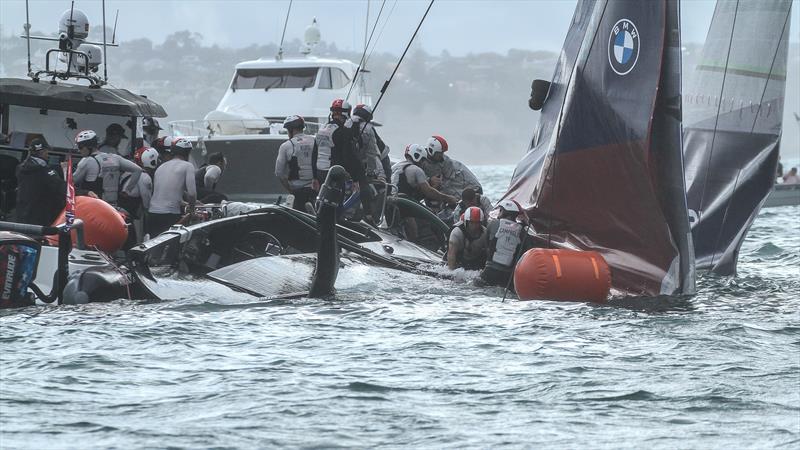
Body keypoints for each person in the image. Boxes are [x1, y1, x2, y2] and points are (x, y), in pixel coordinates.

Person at [15, 139, 91, 226]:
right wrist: (85, 193)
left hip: (22, 214)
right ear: (42, 152)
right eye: (46, 151)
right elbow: (61, 187)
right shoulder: (44, 172)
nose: (48, 153)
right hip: (40, 216)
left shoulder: (20, 169)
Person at [73, 129, 142, 206]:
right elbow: (138, 170)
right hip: (113, 206)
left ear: (88, 147)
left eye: (80, 147)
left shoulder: (87, 161)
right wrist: (127, 190)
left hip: (94, 205)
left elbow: (70, 183)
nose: (79, 150)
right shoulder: (115, 158)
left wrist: (65, 170)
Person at [147, 138, 197, 237]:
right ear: (188, 152)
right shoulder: (187, 166)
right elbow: (192, 193)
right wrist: (192, 209)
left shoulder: (161, 167)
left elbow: (164, 193)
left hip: (152, 213)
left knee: (155, 247)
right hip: (169, 215)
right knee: (172, 248)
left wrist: (184, 203)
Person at [313, 99, 365, 191]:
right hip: (334, 172)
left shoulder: (322, 128)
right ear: (346, 113)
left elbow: (314, 153)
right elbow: (347, 155)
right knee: (337, 199)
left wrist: (314, 177)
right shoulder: (342, 131)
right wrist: (356, 178)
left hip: (319, 171)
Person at [391, 144, 458, 205]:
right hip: (402, 203)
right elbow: (429, 192)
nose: (423, 163)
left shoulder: (395, 166)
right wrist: (449, 198)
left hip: (389, 201)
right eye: (423, 160)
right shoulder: (417, 170)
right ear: (418, 156)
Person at [480, 200, 527, 289]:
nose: (498, 214)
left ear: (507, 213)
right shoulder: (522, 231)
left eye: (501, 211)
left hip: (489, 271)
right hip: (507, 277)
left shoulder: (494, 224)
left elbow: (486, 244)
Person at [275, 115, 317, 211]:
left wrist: (290, 189)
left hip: (297, 190)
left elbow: (279, 172)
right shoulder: (314, 141)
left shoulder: (286, 146)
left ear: (290, 130)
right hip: (316, 189)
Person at [119, 147, 158, 247]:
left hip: (120, 208)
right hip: (132, 213)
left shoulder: (127, 172)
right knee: (137, 240)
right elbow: (146, 202)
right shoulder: (145, 177)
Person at [447, 206, 489, 270]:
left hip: (475, 261)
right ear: (466, 222)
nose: (474, 226)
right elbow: (451, 255)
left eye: (477, 223)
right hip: (458, 261)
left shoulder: (485, 233)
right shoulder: (457, 233)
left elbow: (488, 252)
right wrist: (451, 272)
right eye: (471, 222)